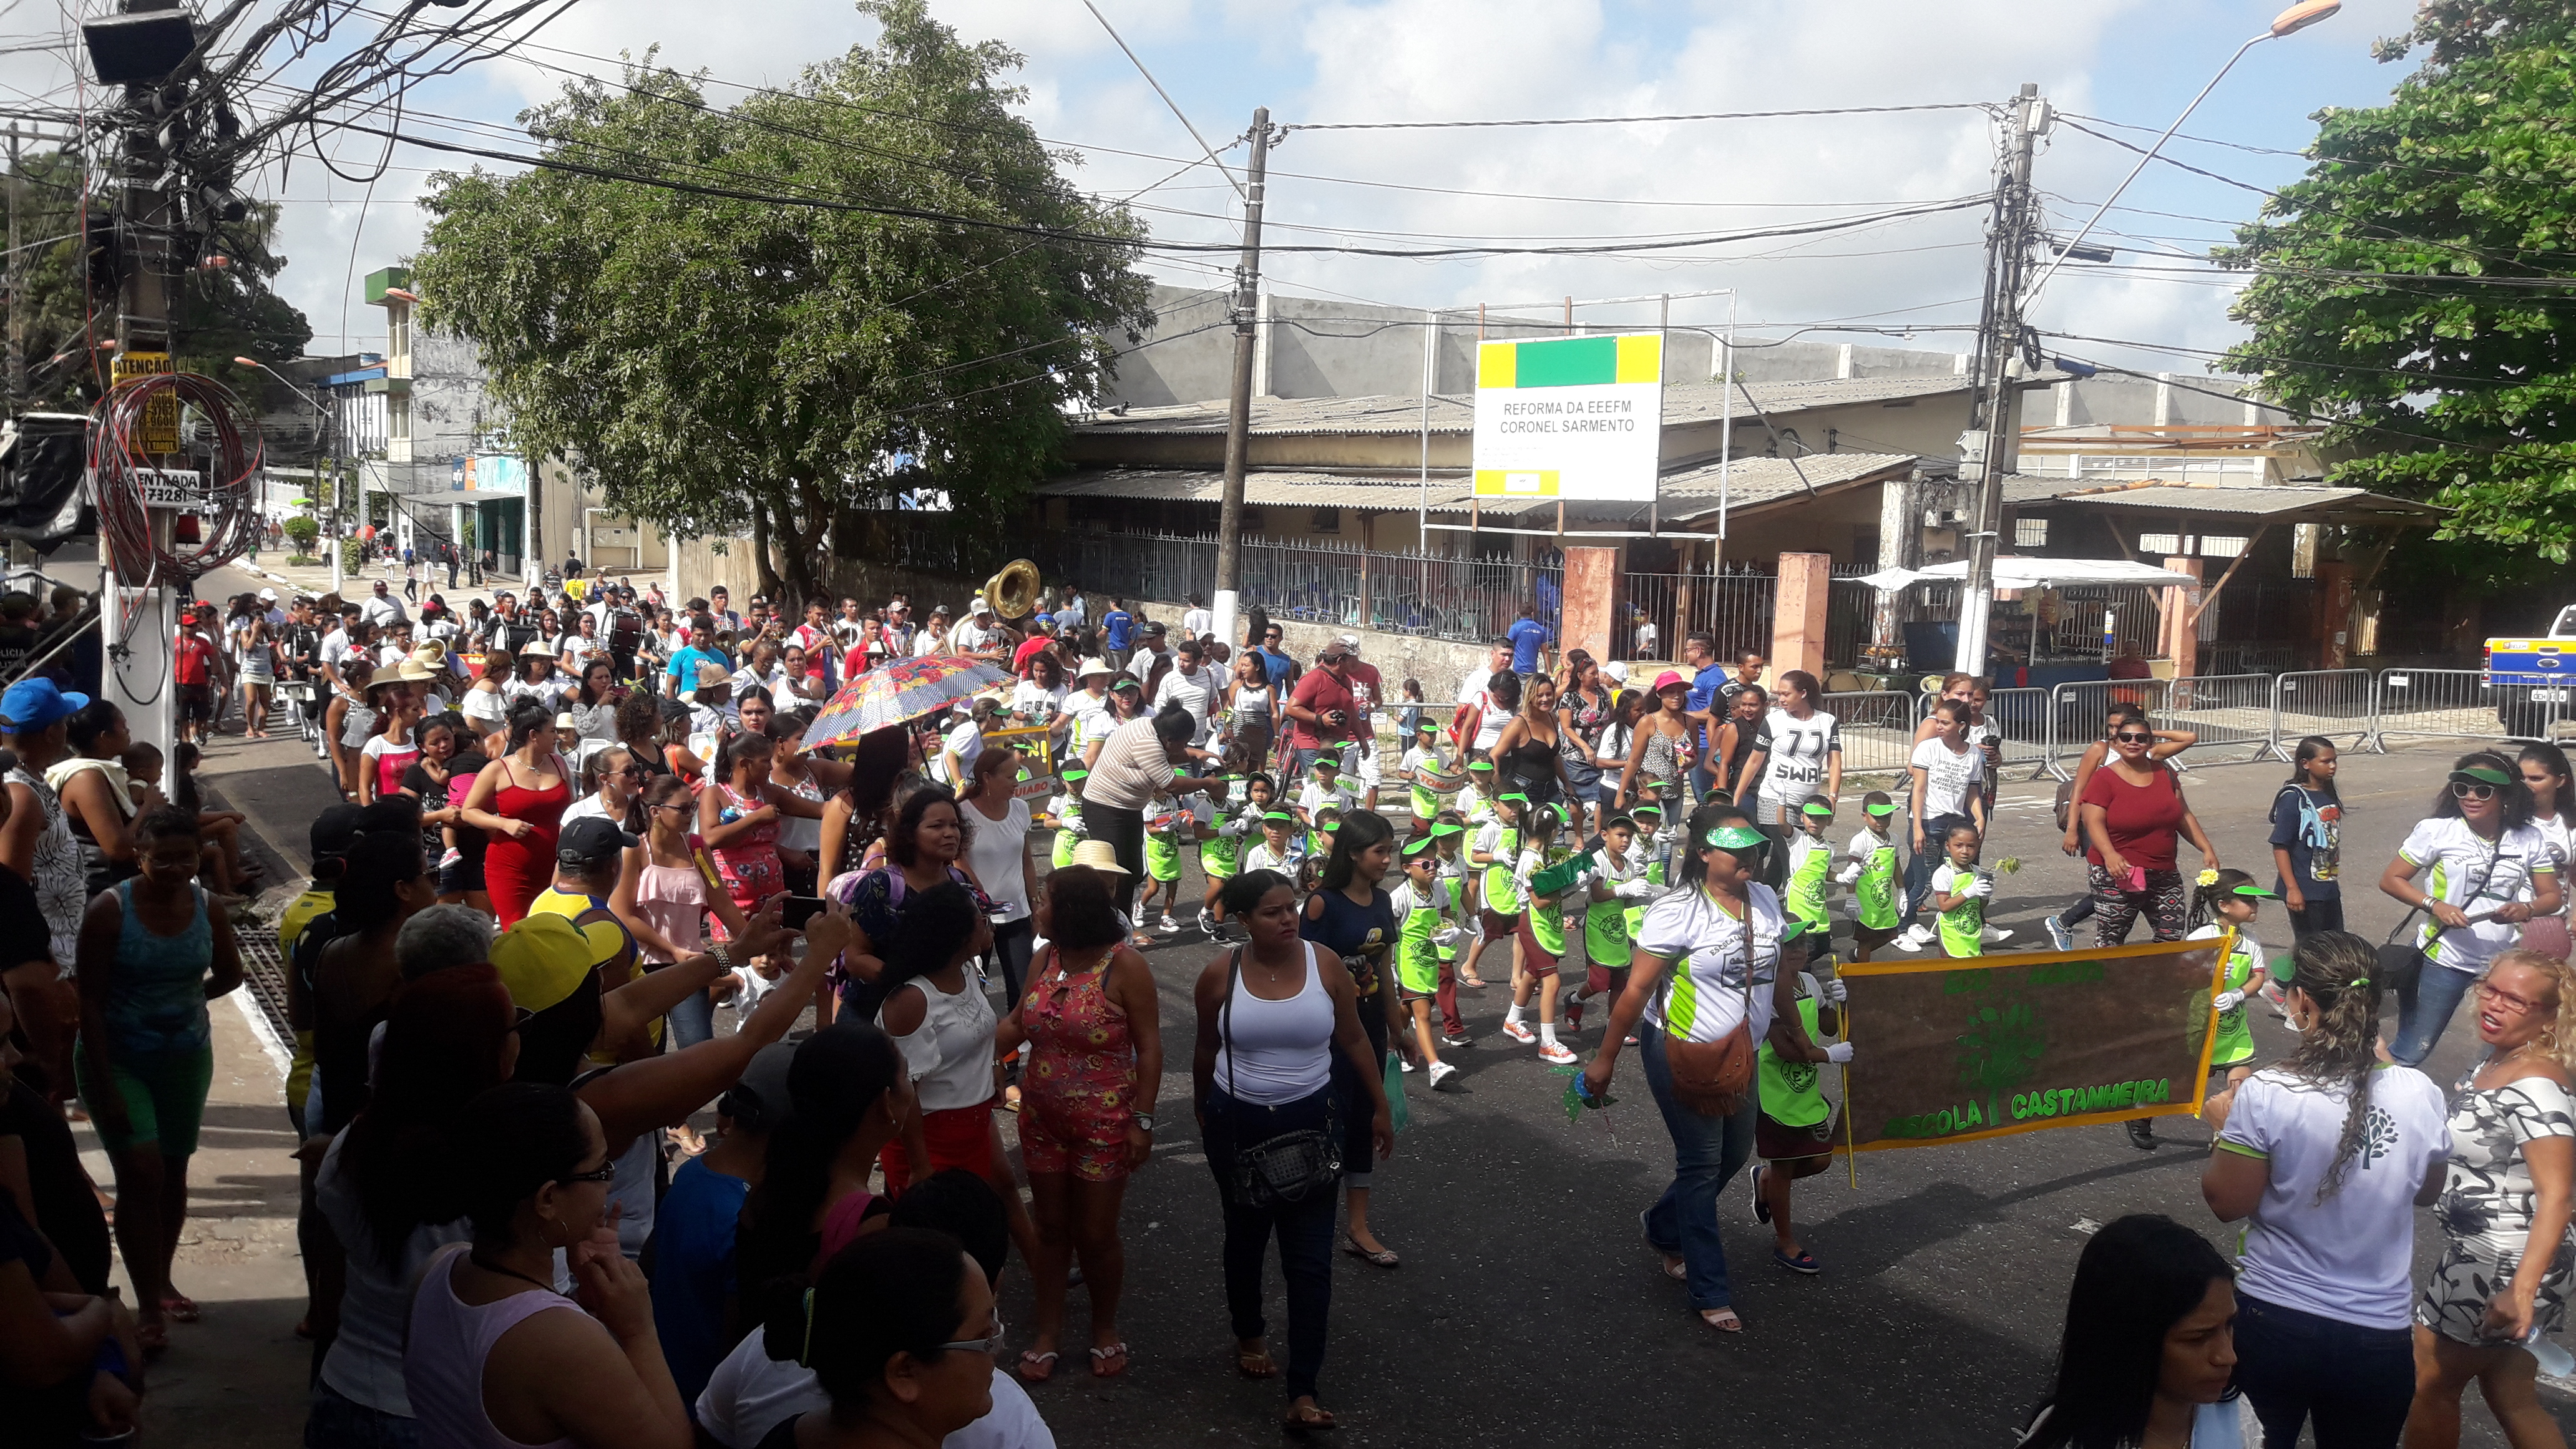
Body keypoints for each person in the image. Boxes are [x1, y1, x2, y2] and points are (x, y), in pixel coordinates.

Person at [1578, 802, 1831, 1334]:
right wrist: (1605, 1058)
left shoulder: (1766, 900)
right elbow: (1636, 991)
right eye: (1734, 849)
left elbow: (1777, 979)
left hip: (1741, 1055)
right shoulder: (1677, 911)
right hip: (1682, 1050)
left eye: (1754, 847)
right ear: (1702, 853)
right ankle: (1709, 1288)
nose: (1749, 858)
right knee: (1700, 1163)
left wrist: (1800, 1034)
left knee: (1734, 1155)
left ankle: (1662, 1225)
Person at [2203, 930, 2450, 1449]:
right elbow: (2428, 1191)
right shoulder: (2420, 1092)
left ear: (2303, 1002)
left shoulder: (2270, 1090)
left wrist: (2225, 1131)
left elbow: (2228, 1202)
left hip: (2274, 1318)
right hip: (2378, 1335)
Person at [1192, 869, 1394, 1432]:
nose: (1287, 919)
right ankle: (1249, 1332)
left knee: (1310, 1262)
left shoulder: (1325, 965)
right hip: (1238, 1125)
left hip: (1313, 1124)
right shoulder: (1219, 974)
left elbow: (1353, 1037)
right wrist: (1202, 1109)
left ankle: (1303, 1389)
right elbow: (1206, 1047)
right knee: (1246, 1240)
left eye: (1291, 908)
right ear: (1243, 920)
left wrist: (1379, 1107)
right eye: (1271, 912)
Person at [403, 1081, 694, 1449]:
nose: (610, 1183)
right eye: (601, 1170)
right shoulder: (560, 1340)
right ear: (548, 1199)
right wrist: (639, 1331)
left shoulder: (438, 1269)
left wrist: (583, 1305)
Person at [72, 804, 243, 1353]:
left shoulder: (207, 907)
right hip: (118, 1058)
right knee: (141, 1172)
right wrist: (104, 1087)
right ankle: (146, 1304)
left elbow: (231, 973)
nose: (175, 868)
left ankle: (163, 1279)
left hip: (186, 1059)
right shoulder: (109, 911)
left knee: (172, 1171)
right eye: (162, 858)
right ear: (139, 856)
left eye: (185, 858)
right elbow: (88, 1001)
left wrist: (186, 1003)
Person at [991, 864, 1161, 1383]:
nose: (1036, 909)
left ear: (1069, 911)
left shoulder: (1125, 967)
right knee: (1050, 1229)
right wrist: (960, 1052)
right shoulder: (1046, 958)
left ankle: (1104, 1329)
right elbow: (1017, 1023)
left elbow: (1150, 1047)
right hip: (1041, 1119)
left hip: (1106, 1124)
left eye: (1043, 900)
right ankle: (1048, 1332)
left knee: (1096, 1234)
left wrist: (1143, 1121)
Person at [2407, 949, 2576, 1449]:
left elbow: (2559, 1193)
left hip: (2500, 1262)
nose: (2494, 1004)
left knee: (2431, 1383)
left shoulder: (2536, 1086)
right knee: (2511, 1393)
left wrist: (2521, 1291)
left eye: (2516, 1001)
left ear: (2551, 1017)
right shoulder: (2503, 1056)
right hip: (2508, 1255)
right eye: (2491, 990)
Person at [2379, 751, 2561, 1067]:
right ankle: (2376, 1093)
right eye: (2462, 789)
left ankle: (2476, 1095)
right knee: (2412, 1051)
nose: (2471, 797)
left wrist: (2526, 908)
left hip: (2500, 965)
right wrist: (2435, 905)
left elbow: (2552, 897)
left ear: (2505, 795)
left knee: (2501, 1053)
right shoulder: (2437, 831)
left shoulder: (2528, 838)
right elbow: (2391, 879)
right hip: (2443, 959)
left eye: (2483, 790)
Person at [2015, 1214, 2253, 1449]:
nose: (2227, 1356)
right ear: (2128, 1341)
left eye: (2229, 1325)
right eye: (2197, 1339)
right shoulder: (2069, 1442)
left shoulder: (2236, 1418)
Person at [2041, 704, 2198, 952]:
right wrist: (2072, 830)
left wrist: (2144, 732)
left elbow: (2189, 738)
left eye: (2122, 728)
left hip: (2142, 839)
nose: (2116, 733)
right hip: (2101, 827)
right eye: (2113, 728)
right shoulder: (2101, 750)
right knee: (2111, 884)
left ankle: (2066, 921)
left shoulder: (2149, 752)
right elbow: (2078, 791)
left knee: (2130, 887)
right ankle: (2068, 924)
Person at [2078, 710, 2220, 950]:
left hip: (2163, 870)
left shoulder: (2165, 773)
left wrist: (2206, 848)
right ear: (2116, 742)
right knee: (2111, 939)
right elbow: (2093, 821)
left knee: (2170, 934)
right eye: (2126, 737)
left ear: (2151, 743)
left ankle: (2155, 974)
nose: (2133, 742)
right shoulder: (2104, 778)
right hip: (2118, 871)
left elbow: (2183, 815)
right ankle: (2108, 975)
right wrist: (2110, 855)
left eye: (2141, 738)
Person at [1079, 703, 1225, 921]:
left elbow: (1171, 754)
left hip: (1128, 808)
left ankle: (1121, 924)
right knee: (1116, 873)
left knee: (1133, 871)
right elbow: (1172, 783)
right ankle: (1109, 926)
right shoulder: (1147, 744)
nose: (1185, 746)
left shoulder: (1147, 725)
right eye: (1184, 743)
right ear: (1169, 740)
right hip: (1105, 808)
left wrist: (1197, 754)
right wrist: (1208, 783)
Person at [460, 704, 574, 927]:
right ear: (533, 735)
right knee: (517, 929)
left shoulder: (559, 763)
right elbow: (468, 811)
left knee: (553, 930)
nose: (558, 737)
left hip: (555, 866)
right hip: (511, 868)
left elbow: (571, 807)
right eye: (552, 731)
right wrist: (504, 823)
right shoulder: (497, 769)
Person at [1734, 670, 1840, 890]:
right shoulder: (1773, 720)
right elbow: (1755, 760)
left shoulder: (1827, 721)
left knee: (1783, 858)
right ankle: (1795, 902)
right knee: (1790, 853)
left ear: (1803, 693)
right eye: (1778, 694)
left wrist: (1833, 796)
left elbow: (1834, 762)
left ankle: (1766, 898)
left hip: (1807, 803)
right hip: (1773, 799)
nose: (1780, 699)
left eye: (1786, 694)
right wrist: (1738, 795)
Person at [1897, 698, 1988, 950]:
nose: (1938, 726)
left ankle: (1964, 923)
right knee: (1925, 881)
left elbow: (1972, 792)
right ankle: (1903, 927)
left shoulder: (1973, 754)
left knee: (1955, 877)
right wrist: (1917, 826)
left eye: (1945, 723)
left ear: (1961, 726)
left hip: (1954, 823)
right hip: (1928, 821)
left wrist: (1979, 816)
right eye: (1938, 721)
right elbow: (1919, 789)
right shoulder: (1928, 748)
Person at [960, 746, 1037, 1008]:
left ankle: (1018, 1036)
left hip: (1018, 914)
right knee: (973, 992)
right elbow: (959, 863)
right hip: (977, 918)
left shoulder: (1020, 809)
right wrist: (984, 904)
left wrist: (1035, 905)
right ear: (987, 778)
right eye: (1010, 777)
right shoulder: (962, 813)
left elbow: (1027, 861)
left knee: (1023, 992)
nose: (1017, 783)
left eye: (1017, 776)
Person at [2271, 736, 2346, 944]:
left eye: (2334, 760)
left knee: (2336, 946)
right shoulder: (2293, 798)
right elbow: (2280, 846)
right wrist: (2292, 889)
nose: (2333, 766)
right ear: (2306, 764)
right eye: (2326, 761)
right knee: (2312, 949)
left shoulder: (2326, 793)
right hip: (2305, 890)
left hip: (2328, 886)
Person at [2518, 741, 2576, 963]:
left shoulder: (2570, 826)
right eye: (2522, 778)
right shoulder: (2506, 821)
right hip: (2511, 923)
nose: (2526, 785)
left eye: (2536, 779)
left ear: (2560, 781)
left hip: (2552, 924)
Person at [1616, 670, 1695, 815]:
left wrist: (1690, 762)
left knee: (1671, 829)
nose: (1677, 696)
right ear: (1659, 695)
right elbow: (1634, 760)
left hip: (1675, 792)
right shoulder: (1648, 722)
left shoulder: (1690, 722)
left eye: (1681, 692)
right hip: (1649, 793)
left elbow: (1696, 756)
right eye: (1670, 692)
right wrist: (1620, 793)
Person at [1282, 645, 1360, 781]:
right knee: (1319, 784)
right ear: (1340, 660)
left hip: (1335, 745)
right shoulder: (1314, 678)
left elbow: (1351, 712)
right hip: (1311, 743)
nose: (1357, 662)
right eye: (1353, 658)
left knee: (1332, 785)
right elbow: (1291, 708)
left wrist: (1362, 740)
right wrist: (1320, 719)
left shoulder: (1346, 680)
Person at [1506, 604, 1549, 678]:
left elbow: (1507, 647)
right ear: (1532, 614)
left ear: (1518, 613)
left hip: (1519, 671)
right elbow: (1545, 652)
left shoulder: (1515, 628)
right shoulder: (1541, 629)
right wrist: (1549, 671)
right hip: (1533, 671)